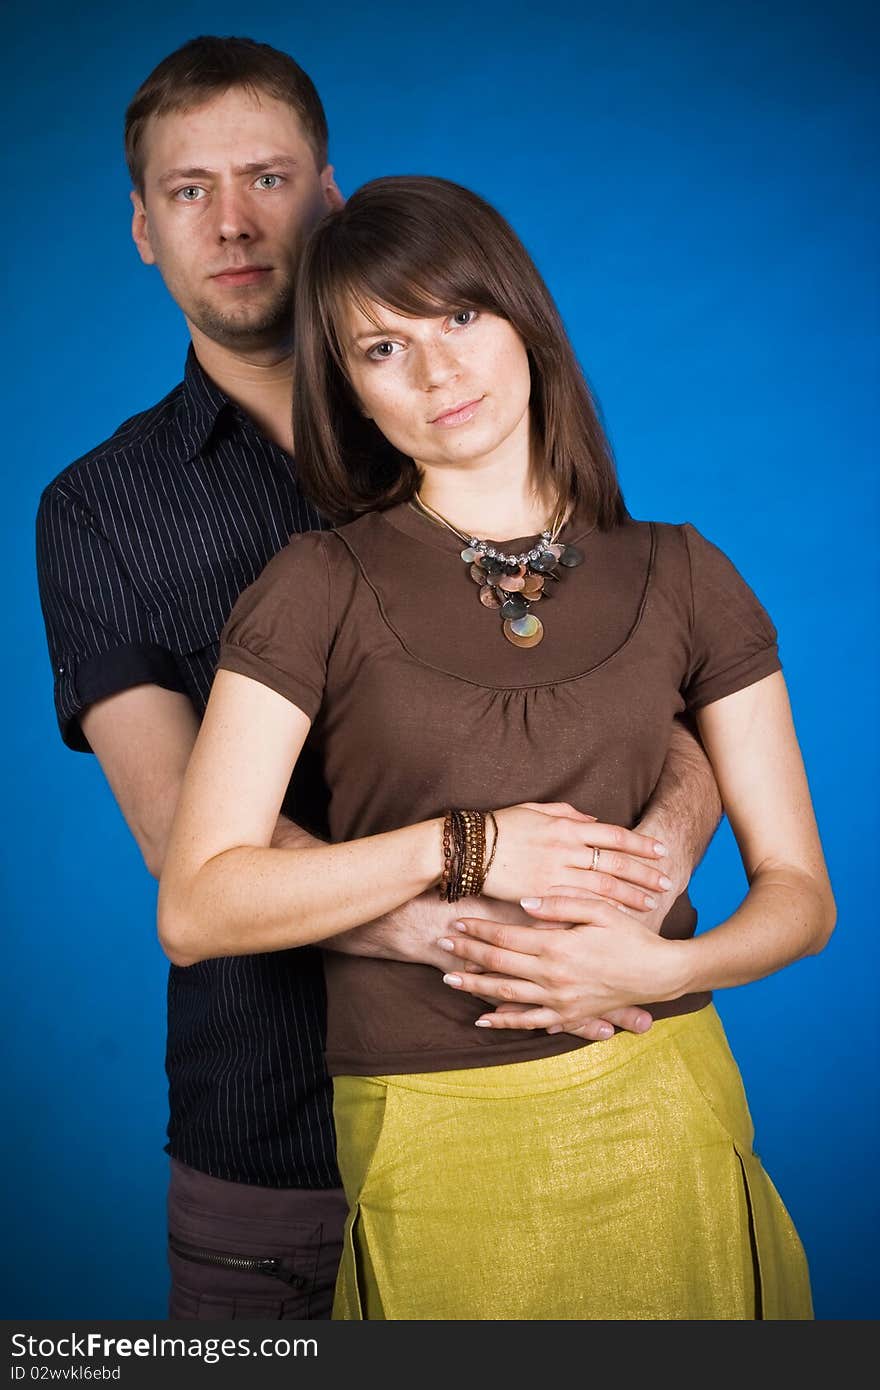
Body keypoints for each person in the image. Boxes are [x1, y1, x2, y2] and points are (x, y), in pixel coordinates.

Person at [35, 38, 721, 1321]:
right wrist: (474, 895)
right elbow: (183, 836)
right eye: (188, 191)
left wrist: (655, 865)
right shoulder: (100, 510)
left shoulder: (476, 414)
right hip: (277, 1136)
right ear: (141, 228)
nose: (234, 223)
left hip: (559, 1093)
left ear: (333, 196)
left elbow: (664, 696)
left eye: (266, 176)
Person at [158, 175, 835, 1321]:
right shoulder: (313, 586)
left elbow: (800, 894)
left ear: (523, 320)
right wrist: (469, 845)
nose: (436, 371)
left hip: (668, 1091)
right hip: (434, 1130)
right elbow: (200, 906)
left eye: (459, 318)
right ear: (351, 395)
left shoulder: (684, 570)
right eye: (382, 348)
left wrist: (670, 966)